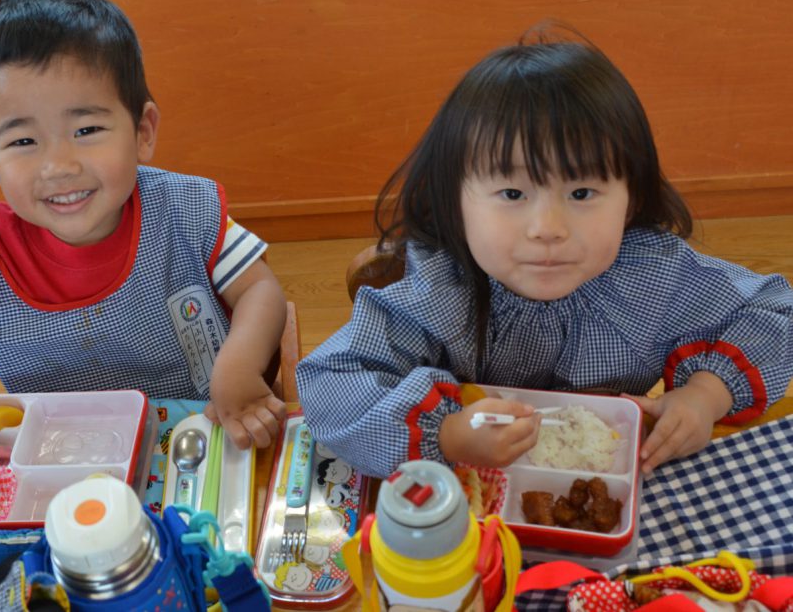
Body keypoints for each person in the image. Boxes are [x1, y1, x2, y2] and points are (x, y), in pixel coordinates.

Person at [296, 29, 793, 478]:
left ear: (632, 197)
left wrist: (705, 394)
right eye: (513, 194)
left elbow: (777, 311)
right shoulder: (440, 289)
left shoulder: (655, 275)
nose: (548, 230)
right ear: (455, 201)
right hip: (472, 510)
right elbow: (328, 383)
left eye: (581, 193)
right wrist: (447, 433)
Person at [0, 0, 288, 449]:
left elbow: (260, 290)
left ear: (143, 132)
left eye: (86, 130)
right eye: (23, 140)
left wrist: (238, 368)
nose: (59, 166)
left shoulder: (183, 208)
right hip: (65, 451)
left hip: (200, 427)